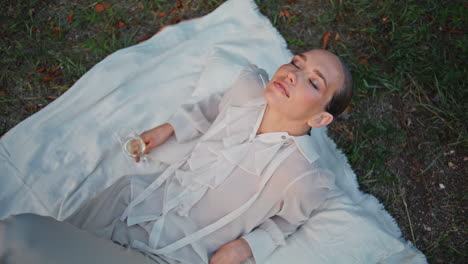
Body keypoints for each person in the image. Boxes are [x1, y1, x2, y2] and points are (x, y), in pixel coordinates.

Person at [0, 49, 352, 264]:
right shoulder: (248, 87)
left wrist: (245, 247)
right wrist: (167, 129)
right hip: (130, 202)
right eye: (296, 62)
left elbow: (288, 222)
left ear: (320, 118)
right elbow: (212, 107)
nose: (293, 74)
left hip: (172, 255)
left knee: (21, 236)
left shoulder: (304, 178)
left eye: (313, 82)